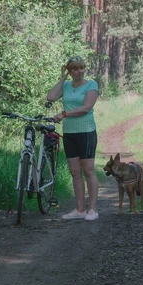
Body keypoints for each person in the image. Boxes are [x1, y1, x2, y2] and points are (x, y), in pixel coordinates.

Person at [47, 56, 100, 221]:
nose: (80, 71)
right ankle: (79, 209)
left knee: (88, 170)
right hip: (69, 133)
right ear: (70, 71)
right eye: (75, 69)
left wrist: (64, 114)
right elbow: (51, 97)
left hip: (86, 132)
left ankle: (92, 210)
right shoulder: (67, 85)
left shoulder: (92, 84)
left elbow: (86, 107)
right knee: (75, 172)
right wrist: (62, 78)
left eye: (82, 68)